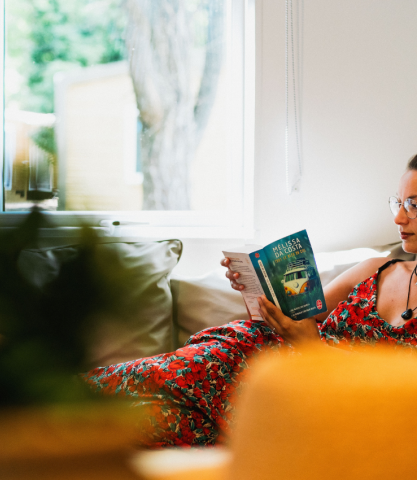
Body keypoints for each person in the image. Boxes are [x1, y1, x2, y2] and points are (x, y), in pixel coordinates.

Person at [81, 155, 417, 448]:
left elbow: (401, 397)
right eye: (398, 203)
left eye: (413, 205)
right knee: (112, 420)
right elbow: (296, 314)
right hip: (248, 363)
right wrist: (257, 288)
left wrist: (315, 349)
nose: (399, 219)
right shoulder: (377, 269)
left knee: (132, 422)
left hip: (305, 403)